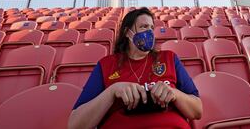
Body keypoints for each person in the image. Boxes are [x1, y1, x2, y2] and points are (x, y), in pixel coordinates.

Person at [68, 7, 202, 129]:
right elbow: (75, 125)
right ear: (128, 33)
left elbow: (197, 111)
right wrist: (112, 91)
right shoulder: (106, 65)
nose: (149, 32)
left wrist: (174, 94)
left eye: (151, 28)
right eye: (143, 27)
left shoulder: (169, 58)